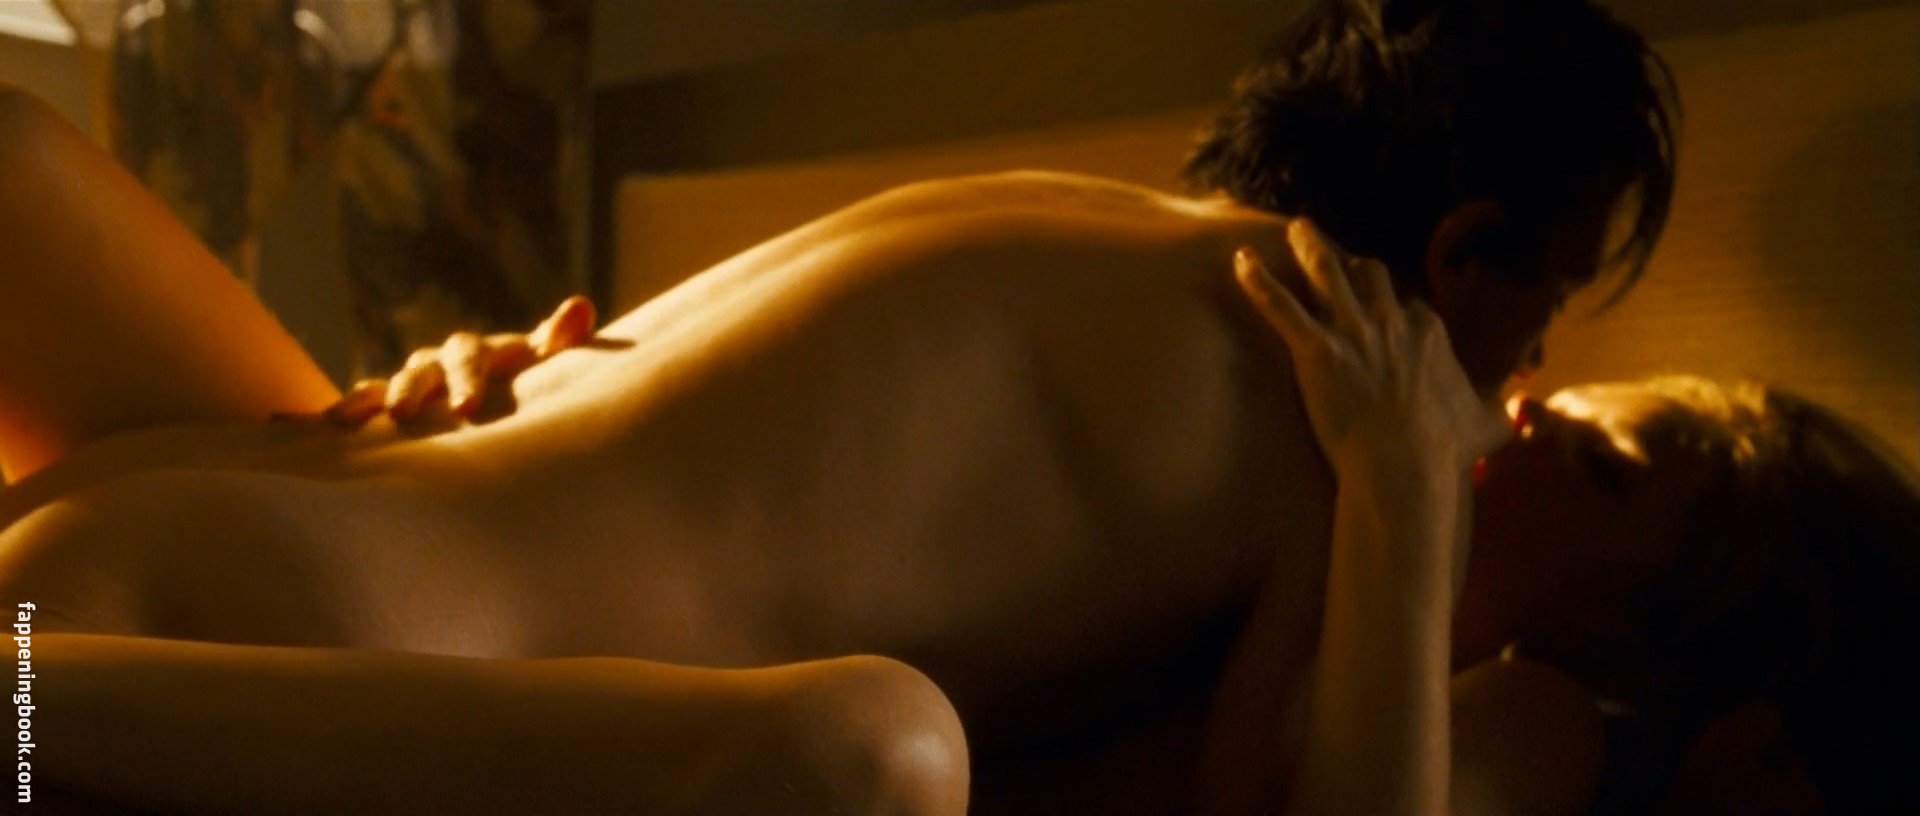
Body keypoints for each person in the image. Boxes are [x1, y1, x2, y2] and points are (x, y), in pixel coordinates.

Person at [0, 0, 1708, 812]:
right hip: (188, 676)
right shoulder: (1354, 413)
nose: (1527, 390)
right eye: (1545, 315)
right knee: (880, 762)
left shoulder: (1074, 220)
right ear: (1463, 250)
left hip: (175, 539)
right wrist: (1402, 492)